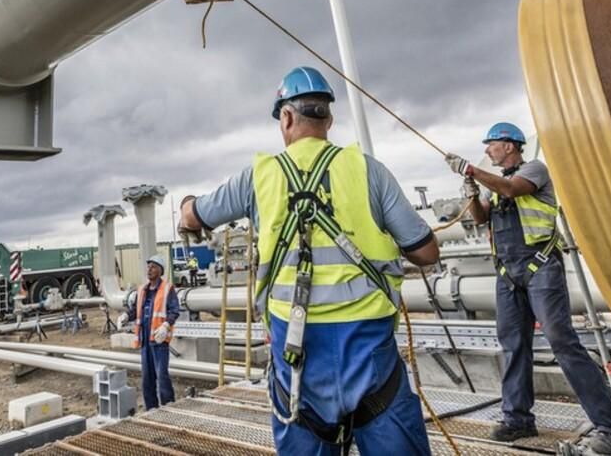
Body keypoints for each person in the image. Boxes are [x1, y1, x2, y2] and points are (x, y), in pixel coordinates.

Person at [180, 66, 439, 456]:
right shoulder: (369, 171)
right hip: (369, 353)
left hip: (296, 355)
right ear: (329, 119)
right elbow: (426, 252)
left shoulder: (258, 178)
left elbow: (192, 217)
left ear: (285, 117)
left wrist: (186, 206)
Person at [446, 123, 611, 455]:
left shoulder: (534, 170)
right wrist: (471, 191)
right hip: (507, 273)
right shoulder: (494, 184)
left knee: (563, 342)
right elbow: (480, 217)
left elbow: (514, 190)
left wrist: (472, 169)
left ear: (510, 145)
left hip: (540, 266)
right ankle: (517, 419)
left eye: (492, 145)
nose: (488, 150)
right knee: (513, 345)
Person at [135, 253, 180, 409]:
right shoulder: (142, 290)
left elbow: (174, 310)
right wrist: (126, 315)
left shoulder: (167, 288)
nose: (149, 269)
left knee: (162, 377)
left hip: (159, 341)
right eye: (148, 266)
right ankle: (151, 410)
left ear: (160, 271)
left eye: (153, 267)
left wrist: (166, 325)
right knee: (147, 379)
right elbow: (135, 309)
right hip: (145, 341)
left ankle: (169, 408)